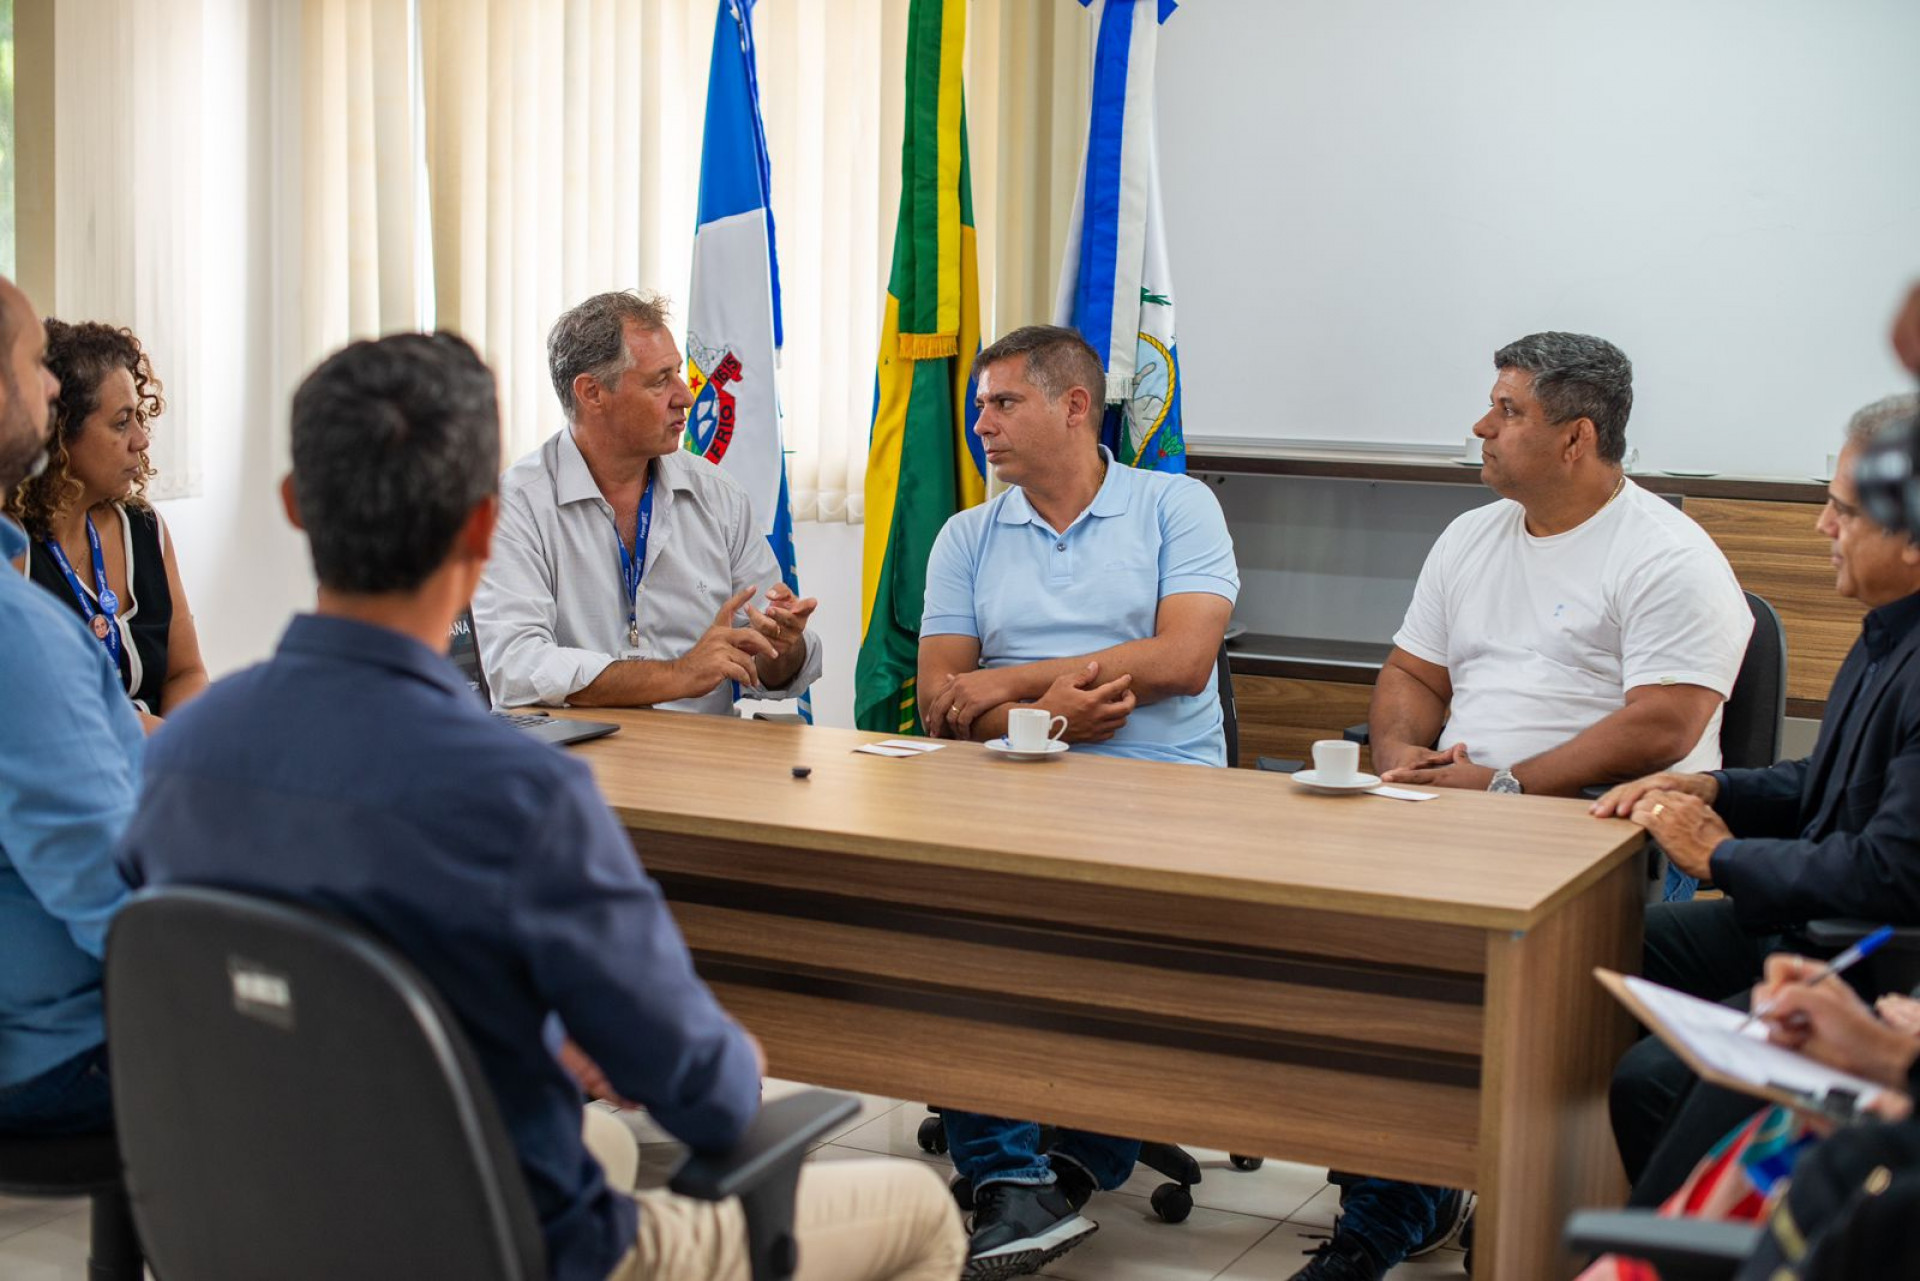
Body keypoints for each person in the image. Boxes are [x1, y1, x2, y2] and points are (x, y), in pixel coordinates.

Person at [116, 332, 963, 1281]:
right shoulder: (522, 797)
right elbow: (711, 1096)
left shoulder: (176, 759)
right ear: (485, 531)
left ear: (294, 506)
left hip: (266, 1222)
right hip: (497, 1247)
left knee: (600, 1143)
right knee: (922, 1212)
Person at [1305, 332, 1753, 1281]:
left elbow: (1666, 724)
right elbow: (1411, 672)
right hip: (1458, 813)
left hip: (1602, 830)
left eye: (1508, 411)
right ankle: (1394, 1209)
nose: (1482, 425)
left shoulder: (1668, 554)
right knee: (1363, 964)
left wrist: (1509, 784)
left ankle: (1507, 1224)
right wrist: (1400, 755)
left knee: (1499, 1007)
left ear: (1575, 438)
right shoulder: (1472, 536)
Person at [916, 325, 1239, 1278]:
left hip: (1163, 792)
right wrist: (1047, 718)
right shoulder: (967, 534)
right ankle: (1015, 1180)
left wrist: (1014, 684)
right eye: (980, 405)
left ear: (1073, 406)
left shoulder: (1176, 506)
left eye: (1002, 403)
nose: (981, 423)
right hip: (1013, 790)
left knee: (1125, 957)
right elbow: (940, 700)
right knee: (953, 930)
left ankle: (1058, 1170)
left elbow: (1184, 660)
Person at [1596, 392, 1920, 1205]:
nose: (1823, 525)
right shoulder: (1888, 630)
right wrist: (1710, 785)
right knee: (1589, 948)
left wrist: (1722, 856)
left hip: (1870, 962)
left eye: (1844, 510)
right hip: (1815, 922)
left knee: (1652, 1080)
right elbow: (1828, 784)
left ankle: (1681, 1240)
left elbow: (1889, 872)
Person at [472, 290, 821, 715]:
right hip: (576, 752)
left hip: (701, 751)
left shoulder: (718, 495)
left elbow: (774, 670)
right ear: (592, 393)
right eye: (660, 381)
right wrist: (678, 675)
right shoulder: (516, 505)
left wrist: (782, 646)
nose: (686, 396)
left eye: (678, 373)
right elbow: (516, 667)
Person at [0, 278, 143, 1136]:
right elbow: (123, 913)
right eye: (32, 365)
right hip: (59, 1054)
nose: (51, 385)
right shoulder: (18, 634)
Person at [5, 320, 208, 729]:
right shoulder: (12, 548)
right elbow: (32, 709)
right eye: (121, 422)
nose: (141, 440)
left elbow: (185, 672)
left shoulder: (144, 528)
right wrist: (158, 741)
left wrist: (185, 743)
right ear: (60, 436)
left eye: (139, 417)